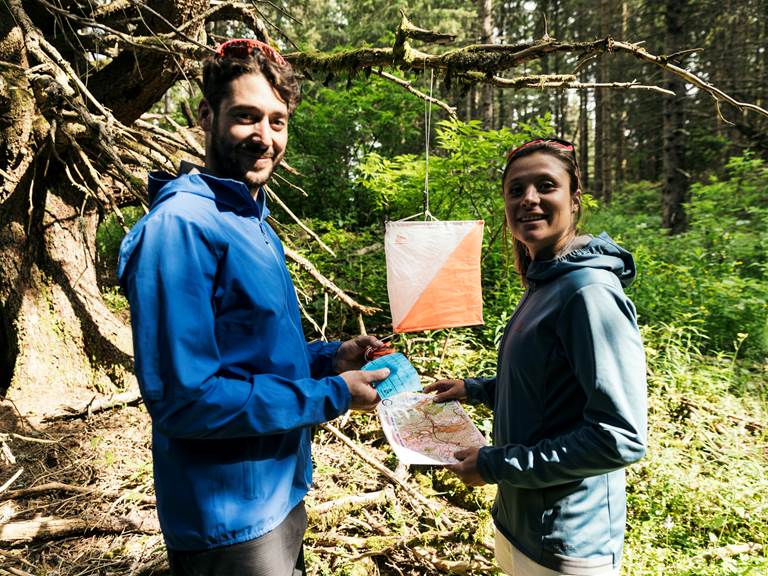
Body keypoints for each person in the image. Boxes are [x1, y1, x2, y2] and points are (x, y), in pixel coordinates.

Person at [117, 38, 388, 576]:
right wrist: (332, 394)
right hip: (228, 523)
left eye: (278, 121)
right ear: (206, 116)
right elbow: (186, 400)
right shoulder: (180, 230)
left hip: (281, 493)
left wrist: (328, 359)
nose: (265, 138)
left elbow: (249, 353)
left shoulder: (247, 216)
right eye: (246, 117)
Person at [425, 138, 647, 576]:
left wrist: (496, 464)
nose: (529, 199)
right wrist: (474, 389)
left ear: (574, 200)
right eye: (516, 190)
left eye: (546, 186)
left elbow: (619, 437)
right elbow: (549, 386)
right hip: (519, 523)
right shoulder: (546, 279)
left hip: (568, 541)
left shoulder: (589, 293)